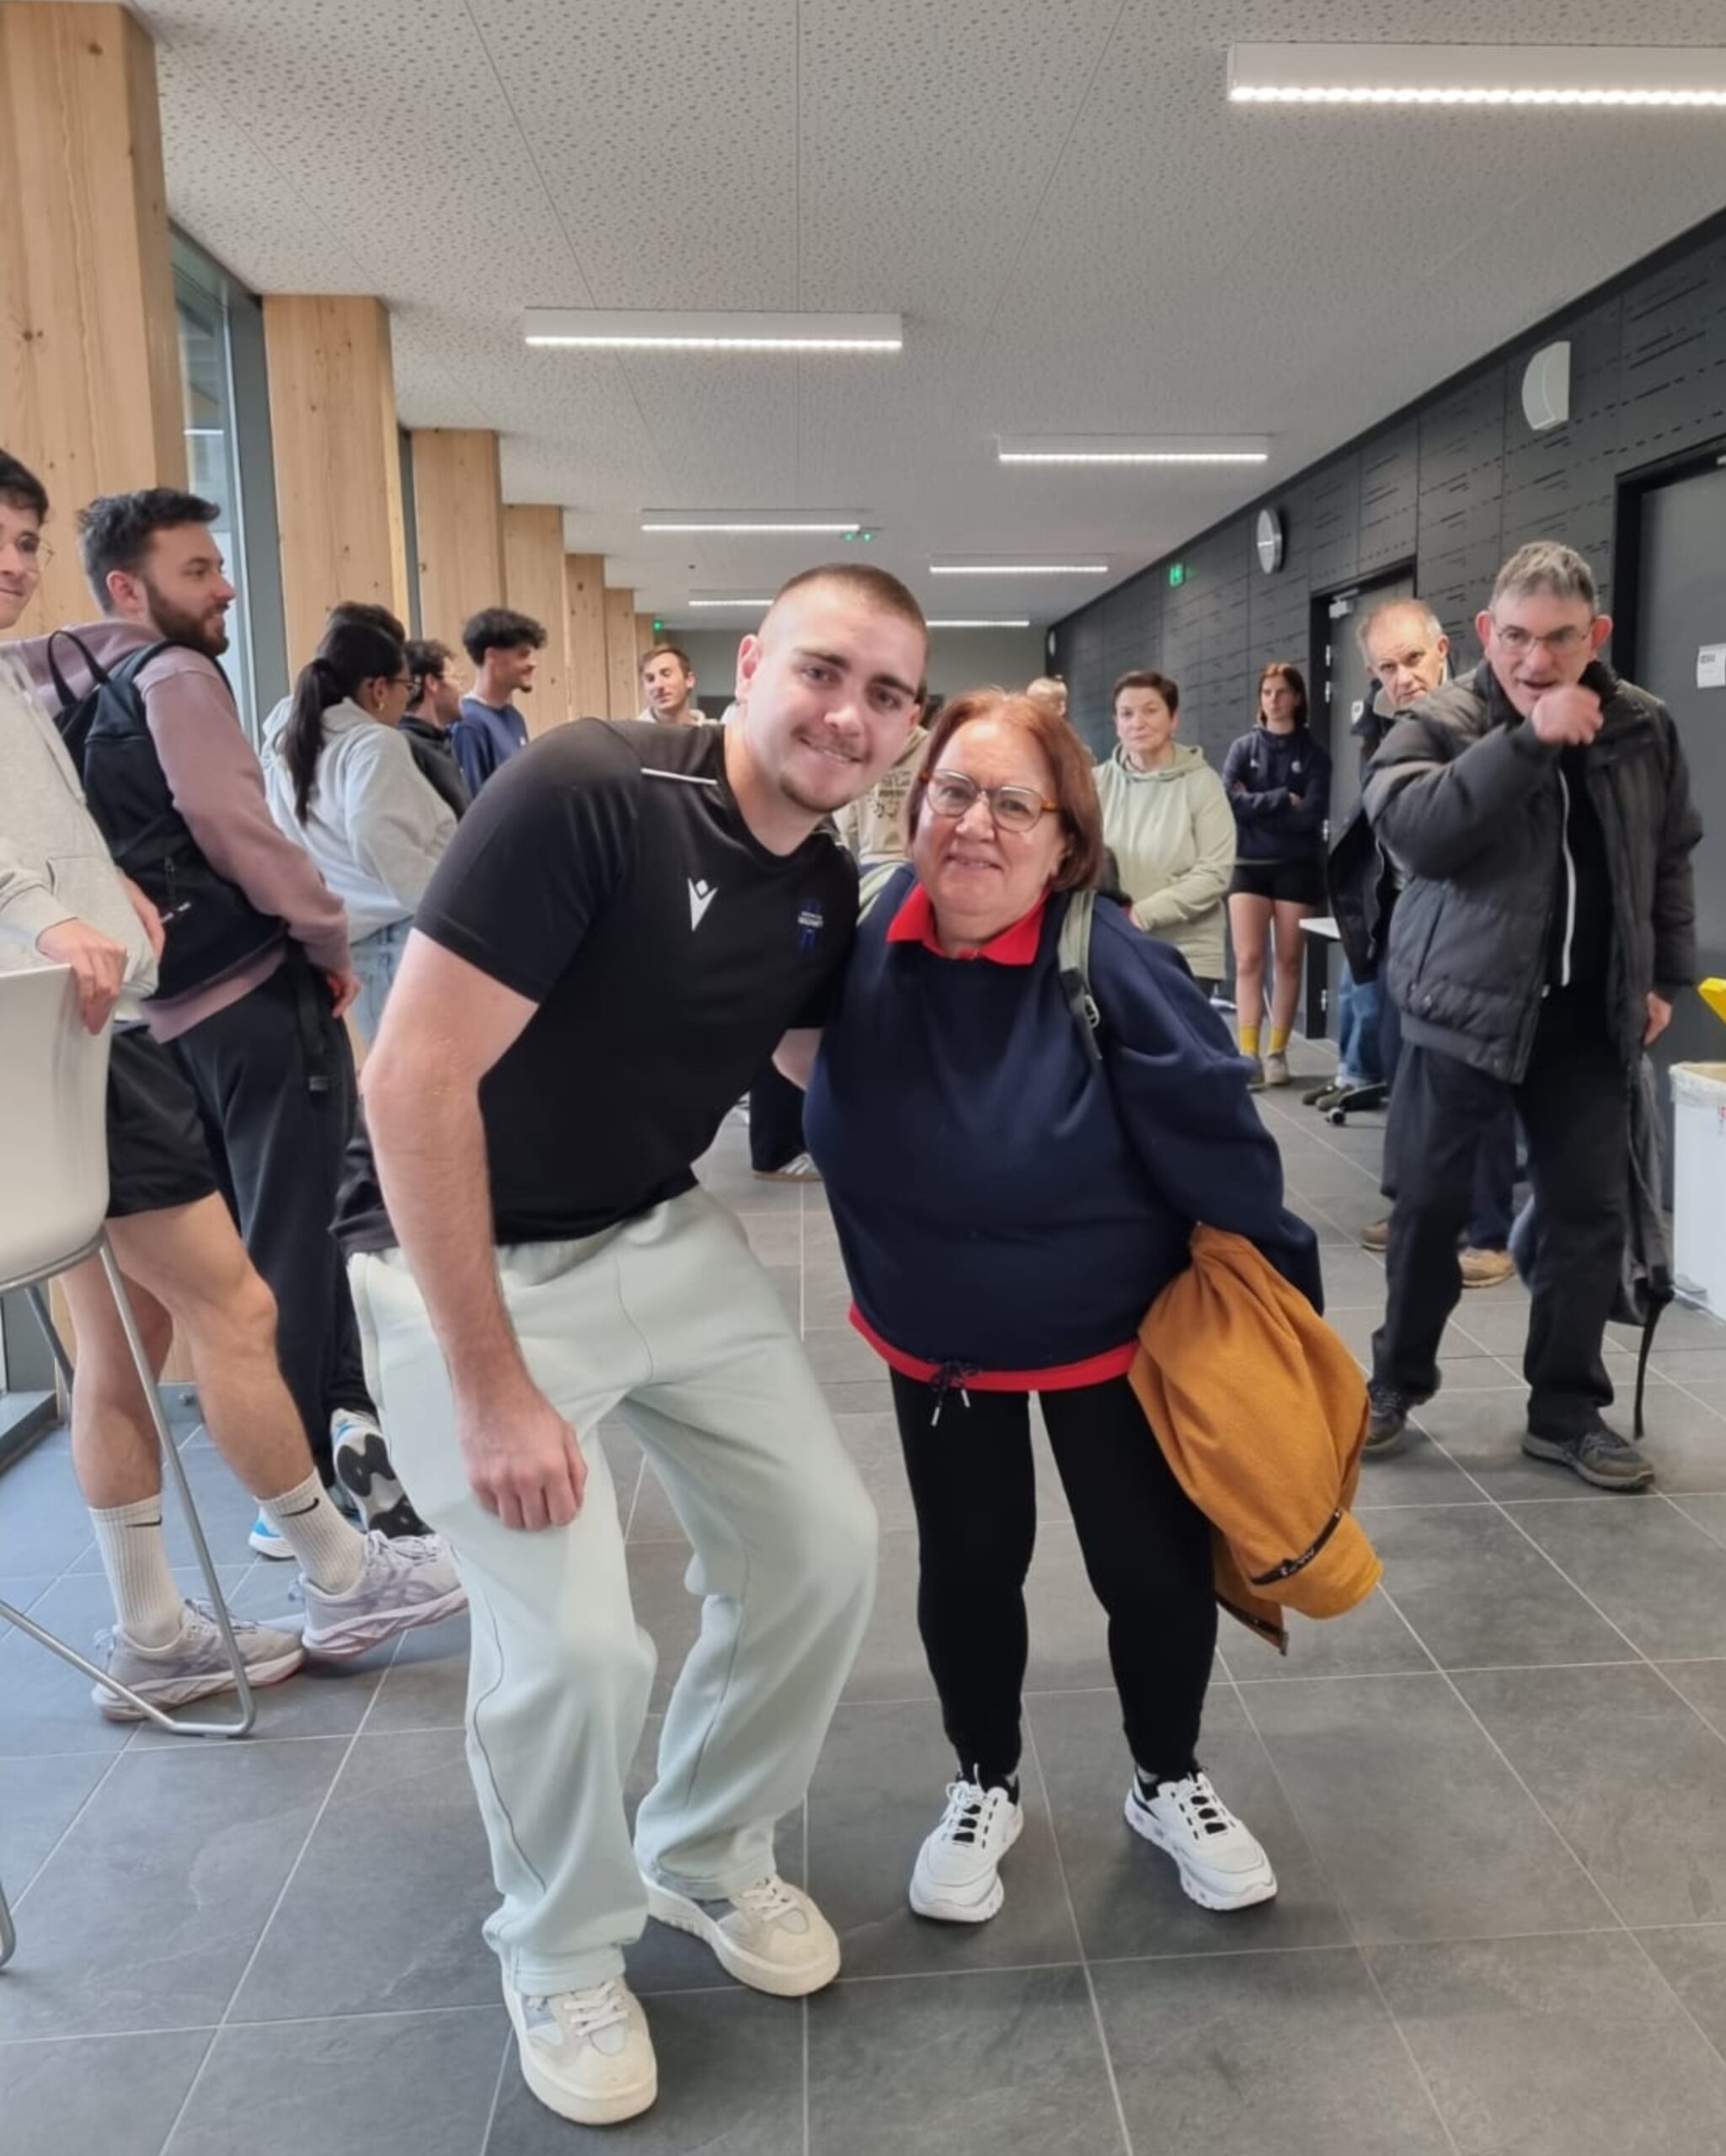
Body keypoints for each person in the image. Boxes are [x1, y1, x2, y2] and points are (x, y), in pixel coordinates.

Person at [339, 563, 928, 2128]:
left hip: (652, 1230)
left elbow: (818, 1063)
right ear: (752, 662)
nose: (848, 716)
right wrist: (490, 1389)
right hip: (457, 1257)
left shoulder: (824, 881)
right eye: (824, 672)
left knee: (820, 1548)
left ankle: (705, 1848)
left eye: (886, 696)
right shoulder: (591, 790)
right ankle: (557, 1949)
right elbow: (409, 1080)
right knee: (583, 1648)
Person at [793, 688, 1319, 1931]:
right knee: (971, 1566)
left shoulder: (1112, 962)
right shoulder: (863, 940)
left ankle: (1166, 1776)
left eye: (1013, 803)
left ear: (1067, 837)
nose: (975, 824)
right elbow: (798, 1056)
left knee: (1149, 1571)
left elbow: (1226, 1153)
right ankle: (983, 1777)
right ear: (914, 809)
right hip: (938, 1341)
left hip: (1111, 1337)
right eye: (952, 792)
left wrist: (1285, 1320)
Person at [0, 450, 463, 1714]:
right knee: (239, 1305)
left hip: (89, 1037)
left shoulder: (44, 674)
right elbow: (230, 829)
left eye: (27, 541)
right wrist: (54, 918)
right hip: (92, 1039)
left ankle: (154, 1628)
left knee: (128, 1341)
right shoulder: (167, 675)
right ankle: (334, 1568)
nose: (16, 565)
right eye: (199, 566)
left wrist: (97, 888)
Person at [1363, 542, 1701, 1487]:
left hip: (1587, 1020)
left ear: (1597, 636)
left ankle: (1565, 1410)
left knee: (1586, 1218)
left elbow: (1670, 854)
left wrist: (1662, 977)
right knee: (1427, 1212)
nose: (1535, 659)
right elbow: (1419, 834)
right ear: (1484, 632)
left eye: (1559, 639)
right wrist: (1530, 741)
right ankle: (1395, 1382)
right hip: (1458, 1012)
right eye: (1515, 636)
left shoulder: (1642, 726)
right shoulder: (1437, 722)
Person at [1349, 600, 1517, 1289]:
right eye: (1386, 667)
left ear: (1442, 649)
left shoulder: (1486, 714)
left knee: (1477, 1077)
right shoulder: (1376, 727)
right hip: (1406, 924)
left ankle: (1489, 1231)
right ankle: (1420, 1210)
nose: (1402, 678)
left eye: (1412, 659)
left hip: (1477, 925)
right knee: (1405, 1071)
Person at [263, 617, 456, 1044]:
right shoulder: (374, 744)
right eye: (407, 687)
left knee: (392, 1072)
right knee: (426, 1075)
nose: (407, 700)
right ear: (378, 688)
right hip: (399, 935)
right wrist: (446, 907)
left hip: (351, 940)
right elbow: (374, 833)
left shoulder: (287, 743)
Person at [1223, 663, 1330, 1087]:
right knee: (1249, 959)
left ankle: (1277, 1052)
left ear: (1297, 697)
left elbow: (1310, 816)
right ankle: (1248, 1052)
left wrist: (1256, 805)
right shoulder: (1242, 749)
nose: (1274, 700)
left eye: (1282, 692)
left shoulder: (1315, 754)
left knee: (1288, 960)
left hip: (1296, 867)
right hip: (1248, 865)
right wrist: (1281, 798)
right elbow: (1230, 802)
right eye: (1267, 692)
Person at [1094, 670, 1234, 992]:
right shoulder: (1094, 784)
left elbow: (1214, 873)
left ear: (1173, 720)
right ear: (1116, 723)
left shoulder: (1202, 783)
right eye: (1126, 714)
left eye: (1150, 710)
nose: (1137, 722)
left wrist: (1141, 915)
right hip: (1113, 947)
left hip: (1185, 955)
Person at [450, 606, 545, 793]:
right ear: (492, 656)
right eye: (523, 655)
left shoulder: (514, 717)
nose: (533, 663)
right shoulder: (470, 724)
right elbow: (473, 801)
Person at [832, 696, 929, 867]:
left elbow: (847, 824)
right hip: (917, 863)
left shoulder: (859, 746)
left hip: (873, 863)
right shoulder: (937, 749)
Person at [400, 638, 473, 819]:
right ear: (432, 683)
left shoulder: (441, 742)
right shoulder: (406, 747)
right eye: (455, 678)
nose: (460, 688)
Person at [636, 643, 703, 725]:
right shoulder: (631, 732)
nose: (658, 685)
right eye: (650, 679)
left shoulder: (714, 731)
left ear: (689, 680)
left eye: (666, 675)